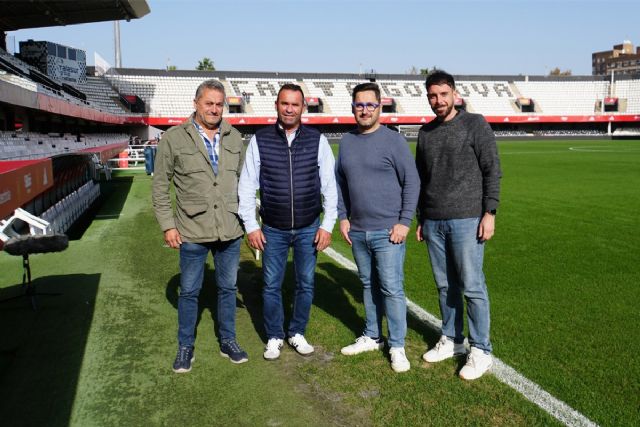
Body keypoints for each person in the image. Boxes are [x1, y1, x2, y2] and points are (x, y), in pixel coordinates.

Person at [152, 79, 248, 373]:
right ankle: (185, 346)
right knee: (189, 291)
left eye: (220, 104)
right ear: (196, 104)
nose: (215, 109)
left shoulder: (235, 137)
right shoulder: (173, 138)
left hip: (230, 230)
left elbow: (246, 183)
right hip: (192, 230)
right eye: (209, 103)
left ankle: (228, 340)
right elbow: (159, 186)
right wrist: (168, 226)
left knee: (227, 288)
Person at [238, 83, 337, 361]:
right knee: (271, 284)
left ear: (303, 107)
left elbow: (329, 186)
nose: (290, 108)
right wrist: (252, 225)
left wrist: (327, 225)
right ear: (277, 106)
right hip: (273, 228)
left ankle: (296, 332)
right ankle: (274, 336)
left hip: (308, 227)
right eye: (285, 103)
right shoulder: (260, 140)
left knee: (305, 283)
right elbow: (247, 187)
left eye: (295, 104)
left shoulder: (318, 140)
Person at [415, 70, 502, 380]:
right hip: (434, 221)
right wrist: (421, 219)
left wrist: (489, 212)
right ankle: (452, 339)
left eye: (443, 95)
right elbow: (422, 180)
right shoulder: (425, 134)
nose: (438, 101)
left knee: (472, 287)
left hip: (468, 219)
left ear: (454, 94)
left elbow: (492, 169)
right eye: (432, 96)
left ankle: (481, 350)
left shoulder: (475, 124)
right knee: (444, 286)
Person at [336, 82, 420, 373]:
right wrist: (343, 216)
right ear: (352, 108)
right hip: (358, 230)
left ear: (380, 107)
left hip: (388, 231)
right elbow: (340, 182)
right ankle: (373, 335)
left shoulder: (394, 141)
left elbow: (412, 181)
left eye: (370, 105)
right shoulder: (346, 142)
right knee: (368, 285)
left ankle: (397, 345)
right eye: (359, 105)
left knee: (391, 288)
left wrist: (404, 222)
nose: (364, 110)